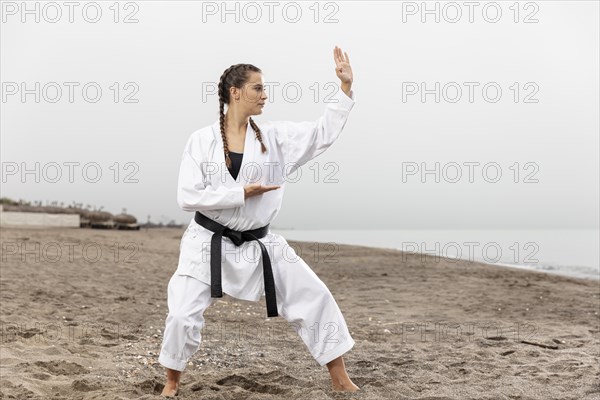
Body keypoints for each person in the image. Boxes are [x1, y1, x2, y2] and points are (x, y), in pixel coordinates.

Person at [158, 46, 360, 397]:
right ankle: (172, 381)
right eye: (257, 88)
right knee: (181, 315)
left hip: (260, 245)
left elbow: (320, 135)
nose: (264, 95)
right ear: (235, 93)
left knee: (314, 296)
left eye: (265, 88)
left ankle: (340, 377)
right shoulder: (201, 141)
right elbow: (187, 197)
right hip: (208, 243)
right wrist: (240, 194)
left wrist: (344, 88)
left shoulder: (275, 139)